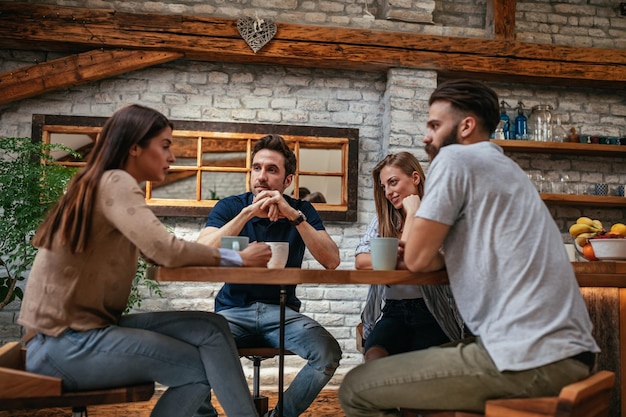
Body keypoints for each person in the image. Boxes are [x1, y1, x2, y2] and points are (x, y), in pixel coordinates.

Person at [339, 80, 600, 416]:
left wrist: (416, 212)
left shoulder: (455, 159)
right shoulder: (504, 169)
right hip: (565, 354)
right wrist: (426, 254)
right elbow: (434, 259)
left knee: (357, 388)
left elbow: (417, 259)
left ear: (466, 126)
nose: (426, 137)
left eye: (434, 125)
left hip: (530, 358)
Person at [18, 104, 272, 417]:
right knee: (197, 369)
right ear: (135, 147)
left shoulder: (103, 183)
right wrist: (239, 259)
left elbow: (158, 251)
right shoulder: (115, 182)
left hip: (71, 336)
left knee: (211, 326)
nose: (172, 157)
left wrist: (229, 256)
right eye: (165, 146)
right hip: (63, 344)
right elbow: (166, 250)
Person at [196, 134, 342, 417]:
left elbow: (332, 260)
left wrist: (293, 215)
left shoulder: (302, 210)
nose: (261, 176)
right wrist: (247, 213)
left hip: (283, 313)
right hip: (232, 310)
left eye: (271, 170)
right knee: (193, 352)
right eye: (256, 168)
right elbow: (201, 250)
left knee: (327, 353)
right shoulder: (229, 206)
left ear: (287, 180)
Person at [355, 152, 464, 362]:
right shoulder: (383, 221)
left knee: (422, 368)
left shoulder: (439, 219)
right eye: (384, 186)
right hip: (393, 310)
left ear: (415, 178)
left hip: (433, 313)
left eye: (393, 182)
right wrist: (395, 259)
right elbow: (361, 261)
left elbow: (411, 263)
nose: (388, 192)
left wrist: (414, 213)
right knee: (374, 357)